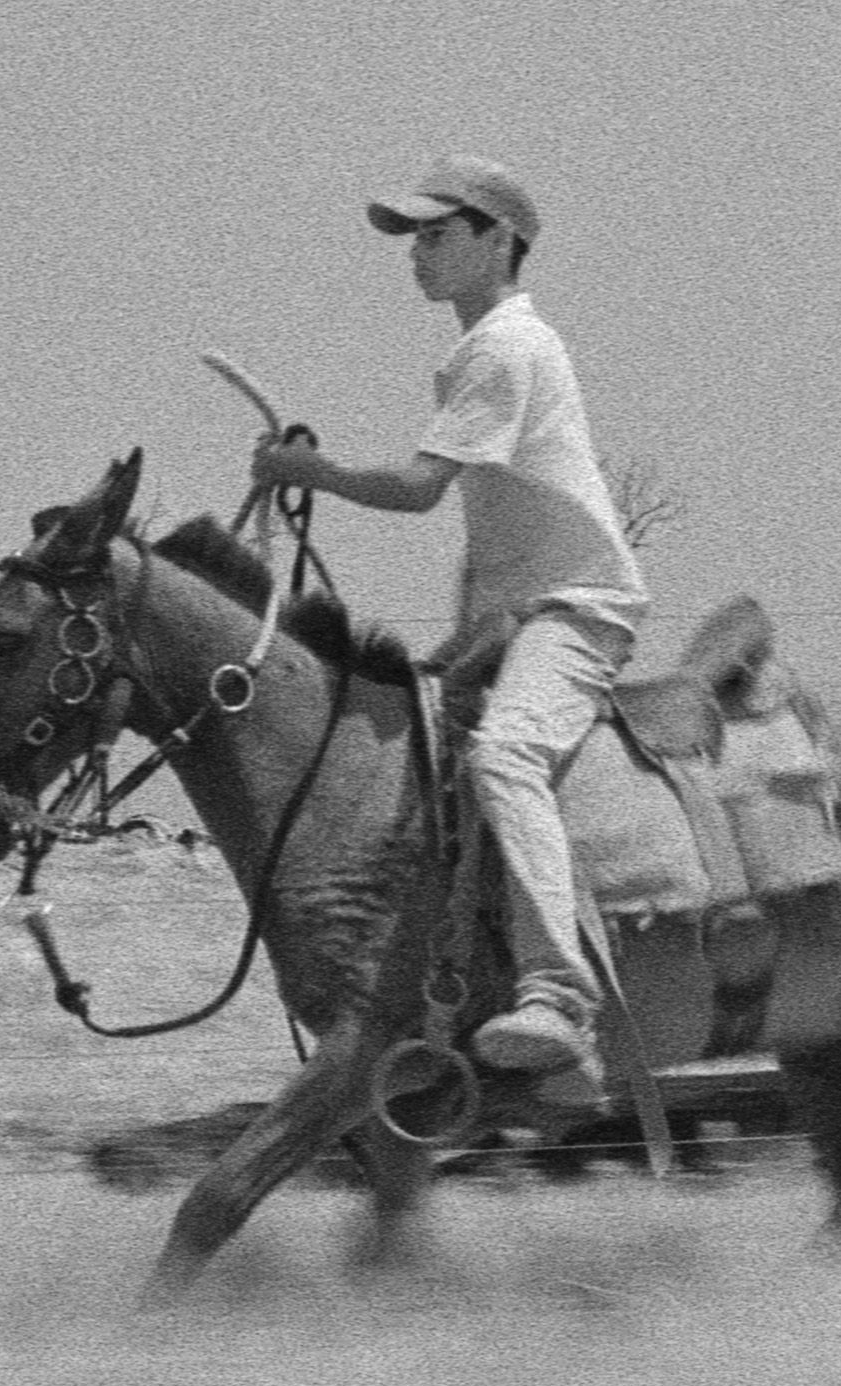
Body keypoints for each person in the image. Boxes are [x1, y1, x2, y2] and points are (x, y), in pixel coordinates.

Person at [248, 156, 653, 1089]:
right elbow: (493, 523)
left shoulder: (507, 349)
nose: (419, 255)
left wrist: (310, 476)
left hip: (578, 610)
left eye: (437, 234)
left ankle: (560, 995)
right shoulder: (480, 351)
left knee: (505, 753)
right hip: (518, 613)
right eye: (415, 238)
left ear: (498, 241)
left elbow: (420, 490)